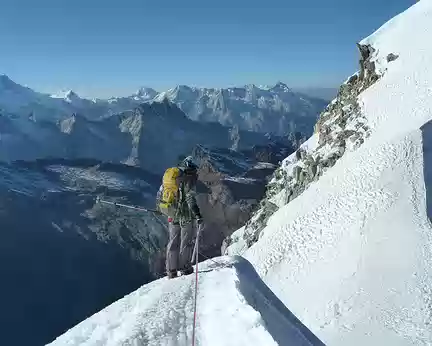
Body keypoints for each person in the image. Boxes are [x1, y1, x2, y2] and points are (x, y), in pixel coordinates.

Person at [157, 156, 203, 279]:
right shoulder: (188, 179)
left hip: (171, 214)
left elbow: (160, 193)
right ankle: (185, 267)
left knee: (173, 242)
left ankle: (171, 271)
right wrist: (197, 214)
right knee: (185, 242)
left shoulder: (170, 177)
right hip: (186, 216)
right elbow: (190, 198)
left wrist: (161, 209)